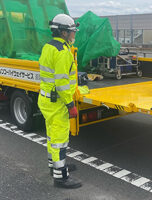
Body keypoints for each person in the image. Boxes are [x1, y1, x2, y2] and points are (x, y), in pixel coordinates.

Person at [37, 14, 82, 188]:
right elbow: (62, 82)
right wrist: (70, 105)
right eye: (71, 32)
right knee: (59, 139)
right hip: (58, 103)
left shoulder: (49, 46)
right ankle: (60, 177)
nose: (73, 35)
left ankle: (55, 166)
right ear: (63, 32)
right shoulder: (63, 52)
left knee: (52, 136)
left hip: (47, 99)